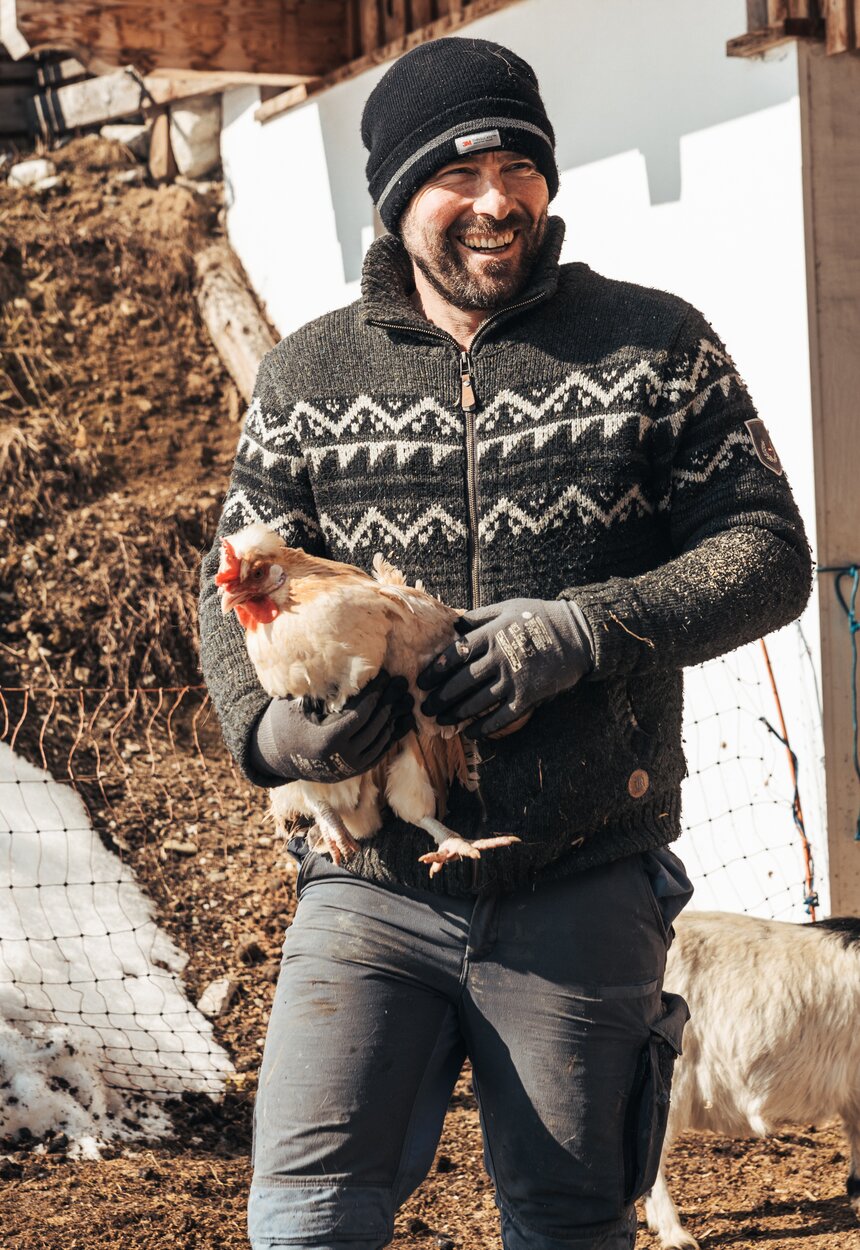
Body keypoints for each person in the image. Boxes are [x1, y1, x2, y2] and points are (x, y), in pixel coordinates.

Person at [198, 37, 812, 1250]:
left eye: (517, 165)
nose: (495, 199)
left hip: (580, 873)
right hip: (366, 889)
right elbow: (224, 589)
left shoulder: (652, 345)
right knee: (304, 1218)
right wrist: (274, 729)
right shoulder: (306, 377)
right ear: (395, 198)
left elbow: (765, 553)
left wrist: (579, 630)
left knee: (569, 1223)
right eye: (456, 172)